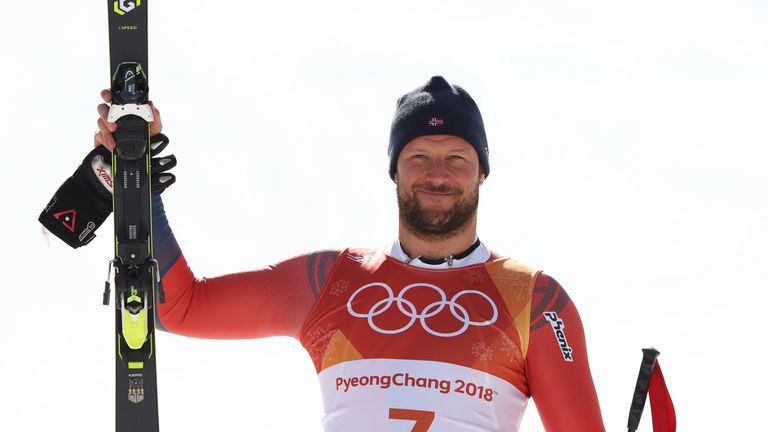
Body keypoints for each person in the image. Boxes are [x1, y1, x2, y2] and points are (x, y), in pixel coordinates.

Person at [44, 76, 605, 431]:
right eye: (419, 157)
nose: (438, 174)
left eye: (457, 158)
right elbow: (177, 309)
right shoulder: (332, 280)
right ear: (395, 171)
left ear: (482, 171)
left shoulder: (536, 299)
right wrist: (137, 181)